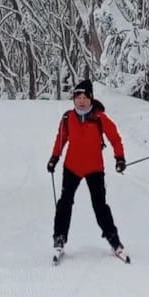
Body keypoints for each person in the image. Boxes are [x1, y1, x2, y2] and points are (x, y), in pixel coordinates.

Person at [47, 79, 126, 260]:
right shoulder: (67, 118)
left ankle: (114, 240)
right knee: (65, 203)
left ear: (91, 99)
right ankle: (59, 238)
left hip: (94, 168)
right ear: (74, 99)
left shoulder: (100, 118)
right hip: (72, 167)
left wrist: (120, 158)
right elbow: (61, 139)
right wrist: (54, 158)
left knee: (100, 205)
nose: (81, 101)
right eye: (78, 97)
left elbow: (115, 138)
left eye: (85, 97)